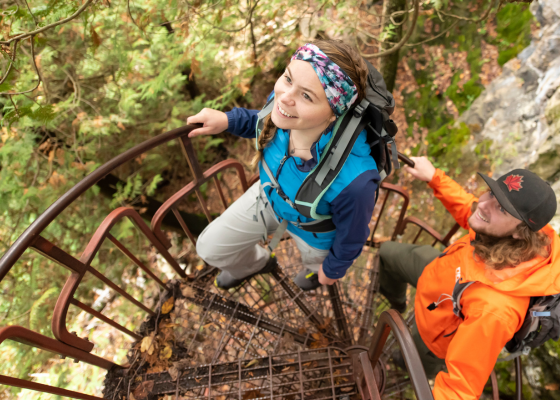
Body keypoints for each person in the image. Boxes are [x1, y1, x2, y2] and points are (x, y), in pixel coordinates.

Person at [186, 40, 381, 291]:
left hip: (315, 230)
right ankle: (255, 264)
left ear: (334, 113)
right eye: (288, 79)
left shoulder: (354, 182)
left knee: (316, 265)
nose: (285, 97)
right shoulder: (283, 108)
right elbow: (263, 122)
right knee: (210, 247)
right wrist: (227, 120)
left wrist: (331, 270)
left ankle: (313, 272)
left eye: (306, 95)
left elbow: (352, 235)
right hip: (269, 197)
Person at [379, 156, 558, 400]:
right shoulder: (504, 227)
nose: (484, 204)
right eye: (492, 193)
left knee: (405, 360)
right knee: (387, 254)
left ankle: (399, 367)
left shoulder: (494, 309)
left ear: (520, 233)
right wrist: (435, 177)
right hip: (440, 272)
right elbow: (470, 209)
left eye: (502, 208)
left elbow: (460, 387)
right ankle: (398, 303)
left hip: (436, 332)